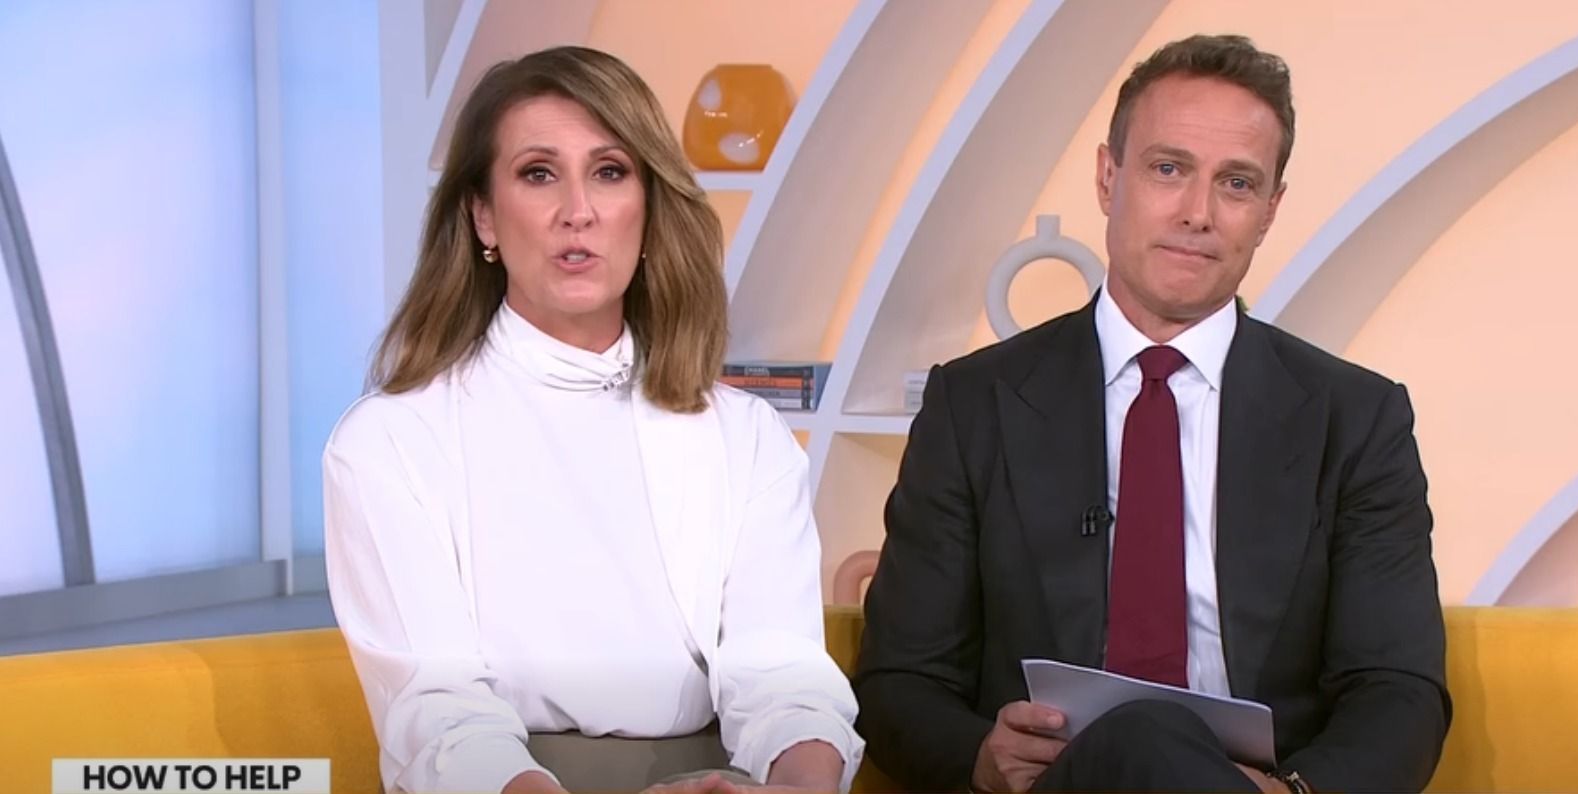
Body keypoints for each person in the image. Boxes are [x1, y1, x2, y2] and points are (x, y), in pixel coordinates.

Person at [853, 34, 1450, 794]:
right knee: (1135, 736)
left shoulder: (1356, 419)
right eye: (1168, 169)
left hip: (1261, 783)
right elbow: (899, 679)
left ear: (1269, 211)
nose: (1198, 213)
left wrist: (1293, 792)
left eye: (1236, 183)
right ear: (1108, 178)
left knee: (1151, 742)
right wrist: (980, 756)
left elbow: (1397, 689)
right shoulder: (974, 405)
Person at [323, 46, 862, 794]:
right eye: (538, 174)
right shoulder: (390, 441)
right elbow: (438, 717)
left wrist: (794, 791)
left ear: (648, 206)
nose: (577, 211)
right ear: (483, 215)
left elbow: (783, 678)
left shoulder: (745, 436)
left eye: (609, 172)